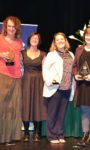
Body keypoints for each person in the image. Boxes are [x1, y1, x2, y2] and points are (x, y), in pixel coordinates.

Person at [42, 32, 75, 144]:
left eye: (62, 39)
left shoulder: (71, 54)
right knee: (53, 113)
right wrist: (48, 81)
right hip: (55, 88)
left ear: (65, 40)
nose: (60, 41)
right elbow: (45, 69)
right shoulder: (51, 54)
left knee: (61, 114)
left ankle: (60, 134)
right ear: (54, 43)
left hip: (67, 88)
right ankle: (51, 136)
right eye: (58, 40)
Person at [0, 16, 22, 144]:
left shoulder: (19, 42)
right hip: (2, 75)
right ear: (5, 27)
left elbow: (19, 59)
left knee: (12, 109)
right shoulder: (0, 38)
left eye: (14, 27)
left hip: (16, 78)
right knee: (2, 107)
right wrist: (1, 54)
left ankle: (8, 137)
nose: (11, 29)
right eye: (9, 26)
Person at [22, 32, 46, 142]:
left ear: (39, 41)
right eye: (32, 38)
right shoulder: (22, 53)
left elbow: (46, 70)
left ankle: (37, 133)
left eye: (37, 38)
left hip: (39, 82)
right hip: (26, 81)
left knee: (38, 106)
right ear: (29, 39)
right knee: (26, 105)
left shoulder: (43, 54)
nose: (34, 39)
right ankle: (26, 133)